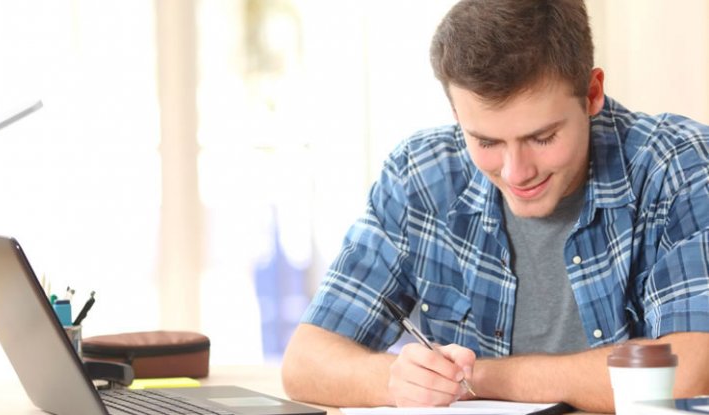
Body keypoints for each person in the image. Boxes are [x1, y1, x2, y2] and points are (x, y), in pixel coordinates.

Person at [280, 0, 709, 413]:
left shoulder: (679, 166)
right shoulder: (421, 176)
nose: (516, 172)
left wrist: (480, 378)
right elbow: (305, 363)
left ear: (592, 93)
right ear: (456, 113)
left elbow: (690, 374)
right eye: (486, 141)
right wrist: (398, 380)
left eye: (542, 137)